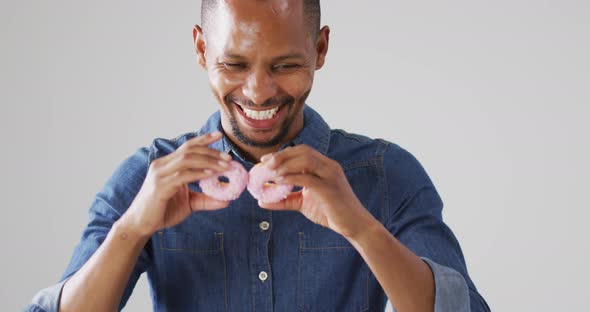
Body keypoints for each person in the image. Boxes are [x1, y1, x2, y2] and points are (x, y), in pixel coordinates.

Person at [26, 0, 491, 311]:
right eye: (234, 64)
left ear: (320, 48)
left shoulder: (388, 175)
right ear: (201, 49)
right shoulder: (149, 177)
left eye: (285, 65)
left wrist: (360, 227)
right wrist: (132, 229)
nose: (258, 91)